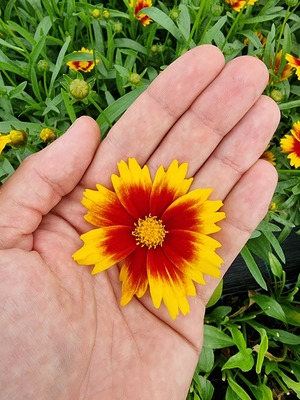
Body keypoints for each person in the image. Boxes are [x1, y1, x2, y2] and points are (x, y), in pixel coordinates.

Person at [0, 45, 280, 400]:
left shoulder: (162, 239)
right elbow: (102, 217)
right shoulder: (120, 234)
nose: (150, 231)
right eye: (149, 229)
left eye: (151, 229)